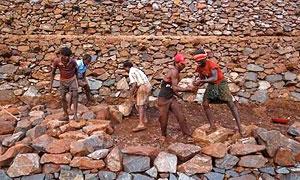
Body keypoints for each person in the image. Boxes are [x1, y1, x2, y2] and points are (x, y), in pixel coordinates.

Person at [192, 48, 244, 135]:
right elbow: (203, 78)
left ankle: (240, 128)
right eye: (197, 61)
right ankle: (212, 126)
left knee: (230, 103)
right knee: (205, 103)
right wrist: (196, 84)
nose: (199, 63)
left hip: (221, 83)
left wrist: (201, 82)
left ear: (205, 58)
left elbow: (214, 78)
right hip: (212, 85)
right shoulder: (199, 67)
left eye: (200, 61)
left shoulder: (211, 65)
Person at [157, 53, 194, 141]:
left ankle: (187, 135)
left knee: (180, 116)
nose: (183, 66)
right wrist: (188, 89)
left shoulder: (178, 73)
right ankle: (163, 135)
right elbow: (175, 88)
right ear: (176, 63)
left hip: (171, 97)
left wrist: (180, 96)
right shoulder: (174, 72)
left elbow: (173, 89)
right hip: (163, 99)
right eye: (182, 64)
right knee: (163, 119)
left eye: (184, 64)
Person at [50, 47, 78, 121]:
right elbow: (53, 73)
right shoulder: (57, 61)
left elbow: (76, 71)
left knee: (75, 95)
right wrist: (51, 85)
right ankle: (66, 115)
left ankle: (75, 115)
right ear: (61, 55)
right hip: (63, 81)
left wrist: (76, 81)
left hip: (72, 79)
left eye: (68, 56)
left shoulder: (73, 61)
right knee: (62, 97)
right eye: (65, 56)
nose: (67, 58)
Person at [123, 60, 152, 132]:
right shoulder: (137, 70)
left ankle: (141, 124)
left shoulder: (131, 72)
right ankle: (144, 119)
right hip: (148, 86)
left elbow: (134, 84)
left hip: (142, 87)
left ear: (127, 67)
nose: (125, 70)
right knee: (139, 103)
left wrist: (130, 93)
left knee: (140, 105)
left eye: (125, 69)